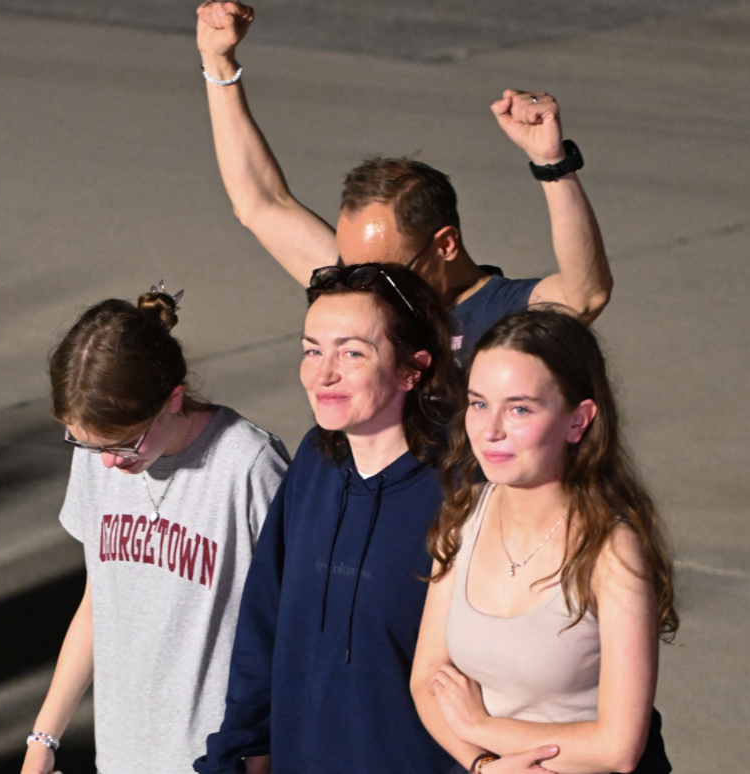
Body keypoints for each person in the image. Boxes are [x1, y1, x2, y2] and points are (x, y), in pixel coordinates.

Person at [195, 1, 613, 365]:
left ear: (446, 244)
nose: (366, 290)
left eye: (383, 273)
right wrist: (218, 63)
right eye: (355, 272)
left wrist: (551, 163)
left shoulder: (502, 315)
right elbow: (261, 203)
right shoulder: (364, 283)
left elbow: (585, 295)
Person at [196, 263, 491, 773]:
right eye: (313, 350)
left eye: (352, 352)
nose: (322, 373)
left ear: (411, 369)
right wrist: (239, 753)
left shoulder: (465, 486)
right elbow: (262, 627)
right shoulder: (314, 461)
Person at [21, 286, 290, 774]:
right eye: (84, 444)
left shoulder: (248, 467)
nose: (108, 461)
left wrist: (259, 755)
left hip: (219, 759)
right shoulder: (99, 459)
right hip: (122, 757)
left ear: (174, 398)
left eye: (124, 444)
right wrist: (44, 740)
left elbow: (290, 628)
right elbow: (100, 603)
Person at [410, 309, 676, 774]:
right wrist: (484, 766)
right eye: (478, 403)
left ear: (579, 421)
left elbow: (618, 746)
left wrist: (484, 728)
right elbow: (426, 680)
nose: (490, 430)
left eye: (520, 409)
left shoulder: (612, 551)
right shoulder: (463, 514)